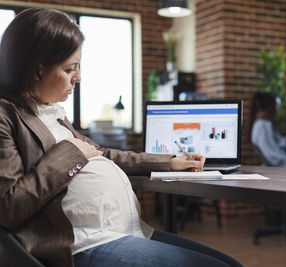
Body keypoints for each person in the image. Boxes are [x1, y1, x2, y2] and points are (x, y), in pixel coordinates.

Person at [0, 8, 243, 267]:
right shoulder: (6, 115)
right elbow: (9, 206)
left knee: (231, 264)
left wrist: (169, 162)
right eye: (70, 68)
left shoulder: (52, 113)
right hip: (80, 242)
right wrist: (70, 154)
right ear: (37, 71)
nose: (78, 77)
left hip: (126, 230)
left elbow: (101, 153)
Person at [247, 92, 286, 168]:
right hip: (275, 170)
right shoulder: (262, 126)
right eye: (276, 105)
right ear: (270, 106)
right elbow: (271, 155)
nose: (278, 109)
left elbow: (281, 142)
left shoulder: (267, 124)